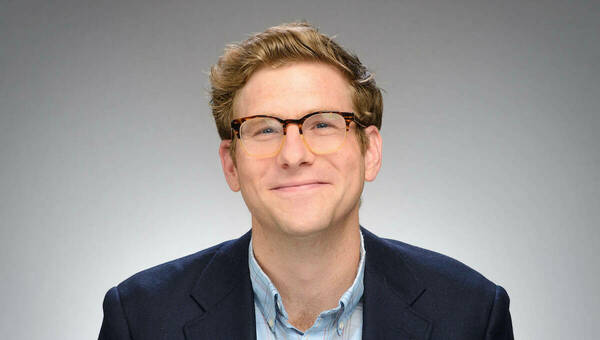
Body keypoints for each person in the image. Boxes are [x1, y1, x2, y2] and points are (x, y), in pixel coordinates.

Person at [99, 22, 514, 339]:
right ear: (231, 164)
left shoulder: (471, 314)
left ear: (370, 152)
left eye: (322, 124)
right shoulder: (142, 318)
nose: (294, 155)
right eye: (264, 129)